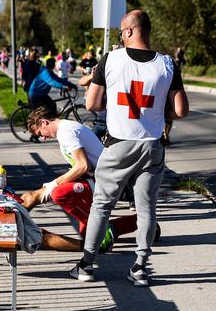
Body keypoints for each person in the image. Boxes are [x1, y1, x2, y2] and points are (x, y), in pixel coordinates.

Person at [72, 10, 189, 287]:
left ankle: (87, 265)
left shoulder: (111, 60)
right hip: (151, 146)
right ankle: (140, 268)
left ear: (127, 32)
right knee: (147, 209)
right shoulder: (167, 64)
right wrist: (159, 116)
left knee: (102, 206)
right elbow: (181, 110)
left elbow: (92, 104)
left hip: (118, 144)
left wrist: (114, 110)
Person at [22, 106, 139, 252]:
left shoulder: (66, 132)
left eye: (41, 133)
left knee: (59, 193)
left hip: (103, 180)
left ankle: (103, 228)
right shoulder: (66, 129)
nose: (44, 138)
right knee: (86, 234)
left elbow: (83, 166)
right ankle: (141, 223)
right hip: (97, 176)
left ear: (44, 122)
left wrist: (53, 184)